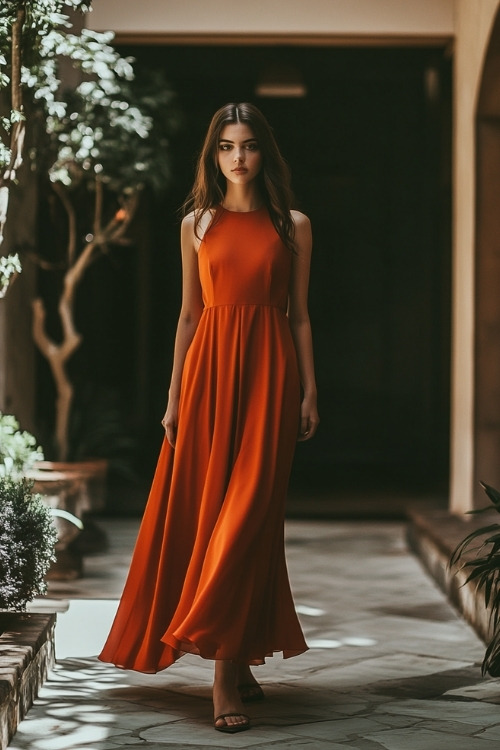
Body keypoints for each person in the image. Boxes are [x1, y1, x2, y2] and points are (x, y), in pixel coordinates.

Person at [99, 102, 319, 734]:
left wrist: (309, 390)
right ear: (213, 155)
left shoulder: (293, 225)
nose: (238, 157)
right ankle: (235, 663)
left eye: (248, 145)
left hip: (271, 377)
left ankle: (228, 667)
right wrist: (173, 397)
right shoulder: (196, 225)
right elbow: (190, 316)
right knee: (211, 512)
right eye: (226, 147)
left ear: (264, 152)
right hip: (207, 379)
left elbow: (299, 314)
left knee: (251, 515)